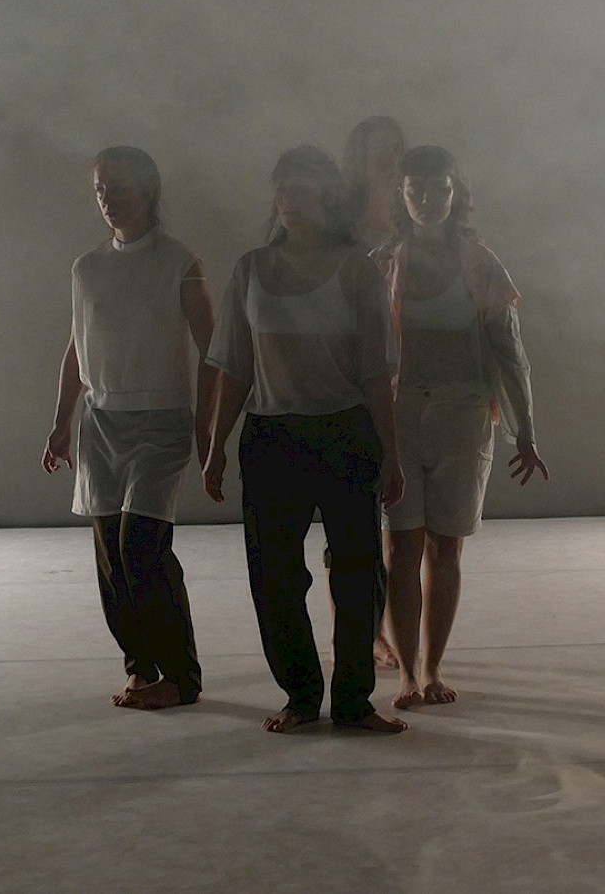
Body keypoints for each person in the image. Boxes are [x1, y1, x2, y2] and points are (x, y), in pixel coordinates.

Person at [203, 145, 407, 734]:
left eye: (305, 187)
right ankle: (299, 694)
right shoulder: (251, 269)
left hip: (344, 430)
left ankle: (352, 700)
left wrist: (391, 453)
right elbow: (235, 366)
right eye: (284, 187)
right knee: (274, 574)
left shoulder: (355, 268)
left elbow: (376, 371)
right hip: (272, 437)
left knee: (358, 570)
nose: (293, 199)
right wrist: (216, 445)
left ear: (328, 196)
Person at [42, 145, 217, 711]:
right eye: (101, 189)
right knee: (111, 558)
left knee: (141, 545)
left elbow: (212, 350)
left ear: (148, 191)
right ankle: (141, 666)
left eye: (120, 188)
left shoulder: (179, 263)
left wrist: (209, 428)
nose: (109, 200)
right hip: (102, 422)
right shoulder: (87, 267)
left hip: (161, 421)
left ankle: (181, 676)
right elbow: (77, 346)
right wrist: (61, 421)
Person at [379, 145, 549, 710]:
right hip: (400, 416)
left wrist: (525, 430)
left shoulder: (480, 264)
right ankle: (406, 672)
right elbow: (363, 355)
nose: (429, 199)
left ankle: (431, 668)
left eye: (440, 188)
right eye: (417, 189)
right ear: (402, 197)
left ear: (457, 195)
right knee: (401, 546)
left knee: (444, 546)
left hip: (463, 413)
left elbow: (510, 353)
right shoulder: (385, 263)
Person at [339, 115, 407, 669]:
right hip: (359, 372)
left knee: (405, 523)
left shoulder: (417, 215)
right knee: (360, 519)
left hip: (414, 372)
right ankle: (368, 631)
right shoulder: (344, 225)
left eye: (393, 150)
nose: (384, 159)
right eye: (374, 150)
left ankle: (395, 627)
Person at [342, 115, 406, 251]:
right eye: (381, 149)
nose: (393, 159)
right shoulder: (341, 224)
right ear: (360, 159)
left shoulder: (415, 218)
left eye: (397, 149)